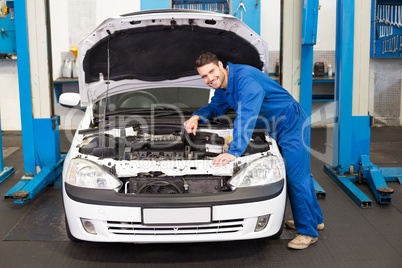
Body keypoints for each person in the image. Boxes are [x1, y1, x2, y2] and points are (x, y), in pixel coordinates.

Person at [184, 52, 324, 250]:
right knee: (299, 173)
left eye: (212, 72)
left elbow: (246, 115)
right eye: (204, 76)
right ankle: (314, 219)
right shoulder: (225, 86)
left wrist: (235, 151)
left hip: (291, 123)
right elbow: (215, 107)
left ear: (221, 65)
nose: (209, 79)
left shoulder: (245, 79)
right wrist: (197, 116)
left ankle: (308, 232)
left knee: (295, 175)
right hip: (273, 125)